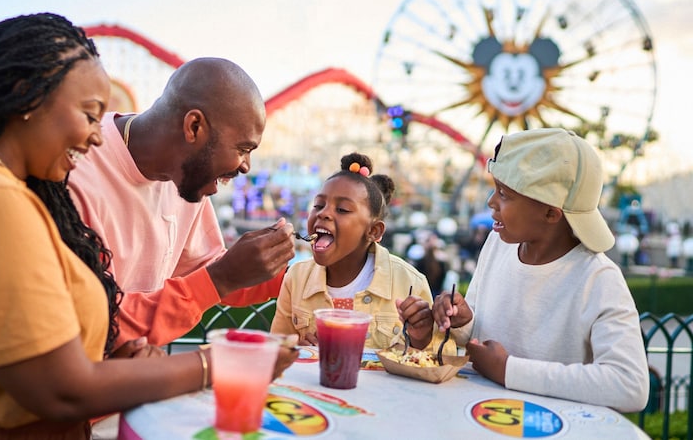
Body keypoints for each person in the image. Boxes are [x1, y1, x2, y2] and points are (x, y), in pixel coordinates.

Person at [0, 13, 296, 439]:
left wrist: (114, 364)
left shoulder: (9, 190)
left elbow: (62, 342)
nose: (98, 137)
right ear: (26, 99)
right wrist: (221, 364)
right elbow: (60, 389)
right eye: (89, 115)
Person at [66, 57, 296, 348]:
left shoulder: (187, 176)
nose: (246, 167)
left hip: (138, 374)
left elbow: (203, 269)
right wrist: (220, 278)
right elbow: (95, 327)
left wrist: (299, 276)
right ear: (194, 126)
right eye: (243, 148)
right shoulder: (76, 173)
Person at [431, 128, 649, 413]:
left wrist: (508, 370)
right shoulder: (498, 243)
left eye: (505, 194)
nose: (491, 202)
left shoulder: (598, 279)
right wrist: (462, 321)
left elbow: (630, 385)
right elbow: (483, 332)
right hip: (480, 420)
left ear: (551, 213)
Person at [271, 153, 450, 352]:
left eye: (343, 209)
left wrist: (422, 338)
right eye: (319, 205)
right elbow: (277, 349)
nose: (323, 213)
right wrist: (297, 351)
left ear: (374, 231)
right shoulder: (296, 277)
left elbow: (441, 357)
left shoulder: (409, 282)